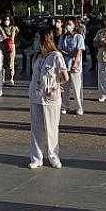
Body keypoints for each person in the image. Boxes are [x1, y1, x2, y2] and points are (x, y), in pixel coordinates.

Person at [27, 32, 68, 169]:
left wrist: (56, 86)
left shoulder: (56, 56)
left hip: (51, 97)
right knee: (36, 128)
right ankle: (36, 157)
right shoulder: (37, 57)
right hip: (36, 96)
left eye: (38, 40)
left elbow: (64, 76)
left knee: (51, 128)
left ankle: (53, 156)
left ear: (45, 42)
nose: (36, 44)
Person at [58, 17, 85, 115]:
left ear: (74, 25)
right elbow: (60, 50)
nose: (68, 26)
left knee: (76, 87)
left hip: (75, 65)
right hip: (65, 65)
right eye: (67, 24)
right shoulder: (63, 37)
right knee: (65, 87)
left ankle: (79, 107)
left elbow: (79, 51)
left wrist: (75, 63)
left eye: (70, 24)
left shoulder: (78, 37)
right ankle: (65, 106)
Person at [0, 14, 19, 85]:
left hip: (10, 46)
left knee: (11, 63)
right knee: (3, 63)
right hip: (3, 46)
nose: (6, 21)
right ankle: (3, 78)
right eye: (5, 20)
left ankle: (11, 78)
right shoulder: (1, 28)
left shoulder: (13, 28)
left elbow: (12, 38)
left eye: (8, 20)